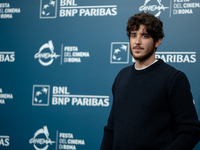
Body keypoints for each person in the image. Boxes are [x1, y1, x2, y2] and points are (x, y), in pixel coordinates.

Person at [100, 12, 200, 150]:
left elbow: (191, 129)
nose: (137, 41)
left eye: (145, 36)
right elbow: (112, 128)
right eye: (133, 35)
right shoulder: (121, 77)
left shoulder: (173, 78)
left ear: (158, 41)